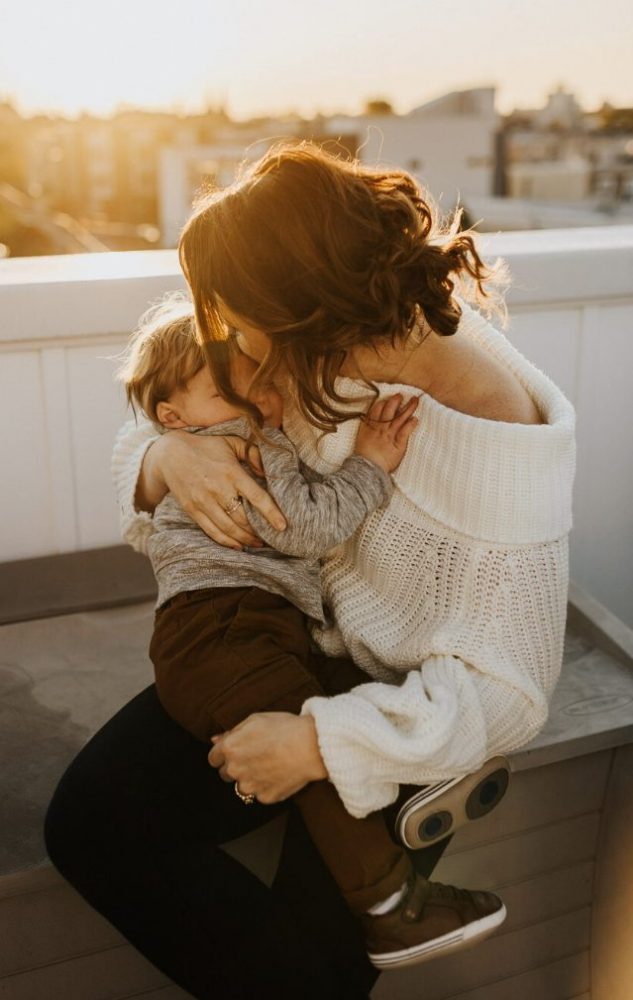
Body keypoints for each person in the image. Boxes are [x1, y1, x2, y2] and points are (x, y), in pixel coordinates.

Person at [45, 142, 575, 999]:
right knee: (88, 824)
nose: (239, 354)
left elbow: (506, 693)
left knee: (320, 967)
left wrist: (320, 745)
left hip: (398, 722)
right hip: (280, 643)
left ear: (309, 316)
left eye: (246, 331)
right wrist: (166, 456)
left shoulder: (498, 453)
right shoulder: (327, 355)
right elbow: (172, 406)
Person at [116, 294, 505, 969]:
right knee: (316, 752)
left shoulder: (220, 431)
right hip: (224, 629)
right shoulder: (240, 448)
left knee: (329, 705)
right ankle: (390, 907)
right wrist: (371, 466)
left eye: (250, 378)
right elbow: (309, 529)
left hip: (243, 629)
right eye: (223, 387)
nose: (249, 394)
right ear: (171, 419)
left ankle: (414, 775)